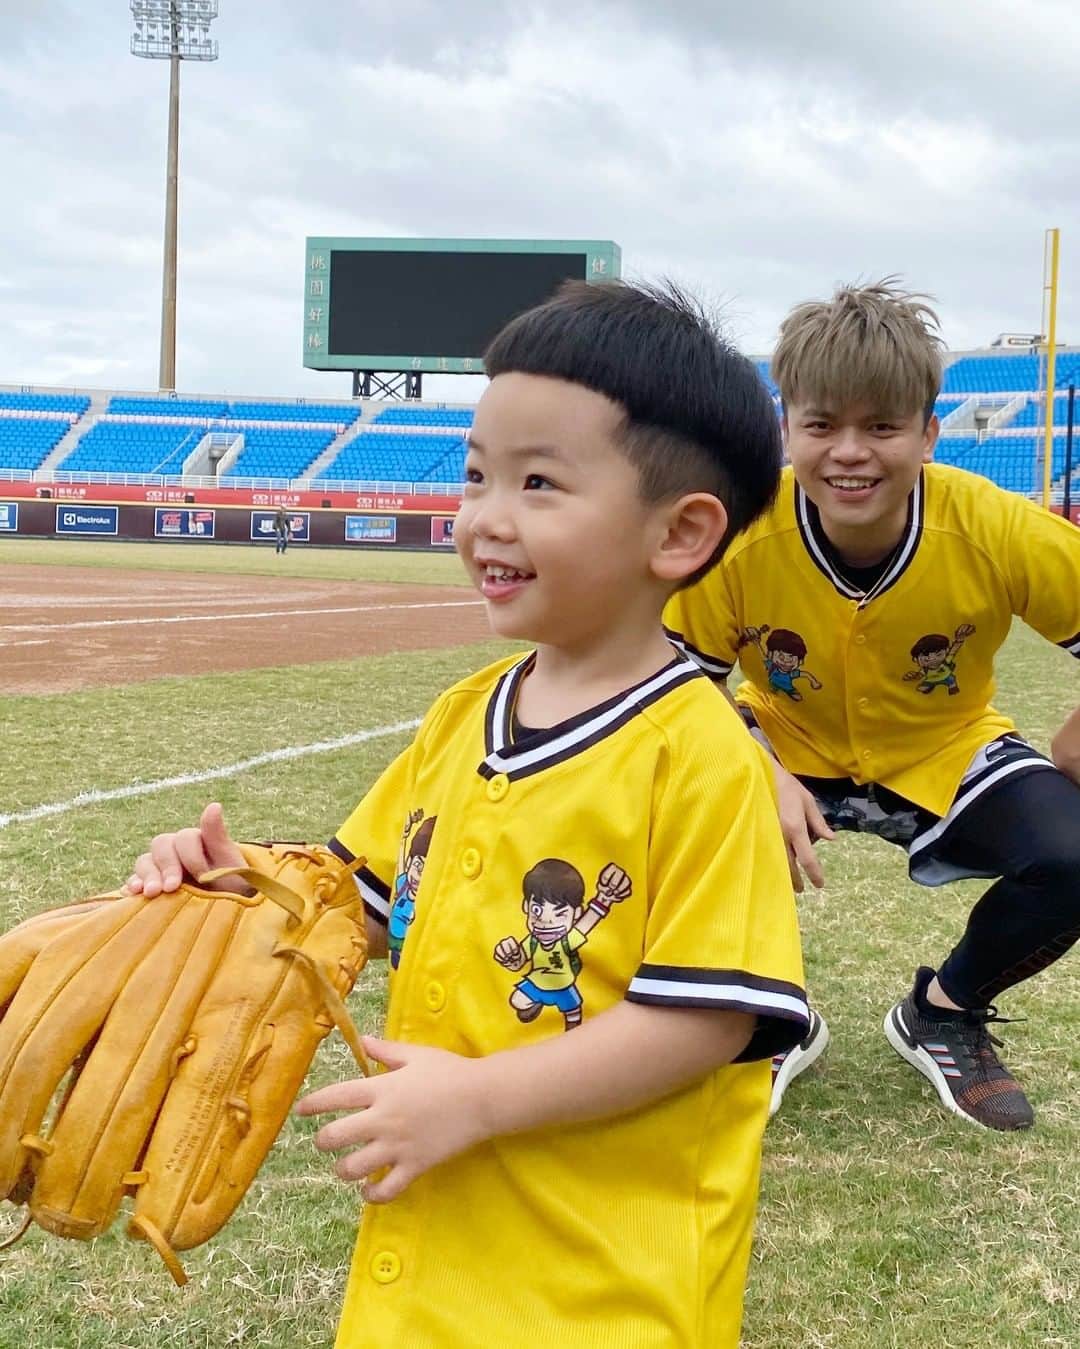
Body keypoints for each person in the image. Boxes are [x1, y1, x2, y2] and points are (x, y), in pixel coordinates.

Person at [125, 280, 809, 1348]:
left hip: (603, 1288)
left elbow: (704, 1018)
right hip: (432, 1260)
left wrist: (478, 1099)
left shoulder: (700, 753)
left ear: (679, 532)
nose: (486, 515)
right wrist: (239, 876)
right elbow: (358, 895)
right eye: (476, 473)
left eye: (538, 482)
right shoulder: (463, 716)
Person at [665, 279, 1080, 1133]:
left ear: (928, 433)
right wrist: (756, 768)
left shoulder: (993, 525)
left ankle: (943, 1011)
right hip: (783, 739)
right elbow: (671, 682)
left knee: (1073, 854)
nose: (849, 452)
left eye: (882, 427)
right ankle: (764, 1019)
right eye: (822, 425)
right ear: (787, 427)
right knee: (657, 796)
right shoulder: (739, 532)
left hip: (945, 744)